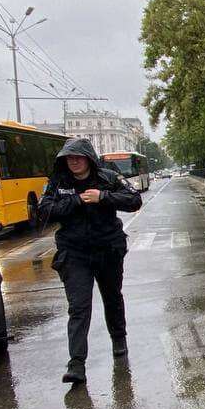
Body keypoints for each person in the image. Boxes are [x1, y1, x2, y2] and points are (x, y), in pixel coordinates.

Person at [37, 137, 142, 385]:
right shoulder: (58, 182)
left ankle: (119, 339)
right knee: (79, 306)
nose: (73, 161)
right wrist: (74, 201)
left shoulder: (108, 177)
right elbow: (44, 211)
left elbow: (134, 200)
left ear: (88, 158)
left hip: (108, 250)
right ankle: (76, 364)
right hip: (74, 254)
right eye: (69, 157)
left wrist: (103, 197)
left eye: (78, 157)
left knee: (112, 297)